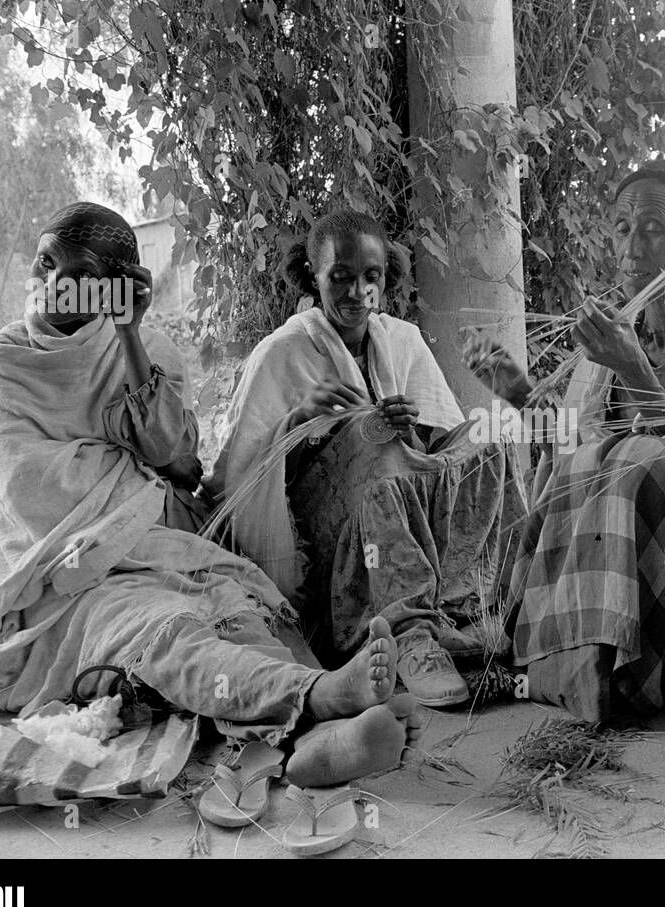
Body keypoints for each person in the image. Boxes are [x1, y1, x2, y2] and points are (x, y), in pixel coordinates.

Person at [0, 202, 421, 788]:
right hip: (67, 573)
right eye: (46, 264)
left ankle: (315, 733)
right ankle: (317, 696)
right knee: (169, 631)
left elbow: (175, 458)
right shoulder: (3, 362)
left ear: (115, 290)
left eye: (81, 279)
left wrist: (127, 335)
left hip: (169, 542)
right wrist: (133, 470)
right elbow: (30, 490)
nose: (52, 286)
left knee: (239, 609)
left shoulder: (149, 352)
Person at [465, 159, 665, 724]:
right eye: (622, 228)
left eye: (655, 229)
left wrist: (636, 369)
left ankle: (640, 674)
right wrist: (517, 392)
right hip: (613, 539)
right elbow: (568, 447)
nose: (633, 248)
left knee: (635, 457)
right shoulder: (609, 341)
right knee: (595, 460)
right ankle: (576, 663)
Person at [209, 210, 527, 708]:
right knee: (369, 434)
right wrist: (299, 424)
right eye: (340, 277)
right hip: (331, 541)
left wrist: (412, 429)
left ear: (385, 280)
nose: (357, 292)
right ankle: (409, 637)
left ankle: (481, 611)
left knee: (487, 437)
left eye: (370, 277)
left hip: (400, 500)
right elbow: (241, 481)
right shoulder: (281, 352)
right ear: (312, 279)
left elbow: (432, 453)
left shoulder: (403, 340)